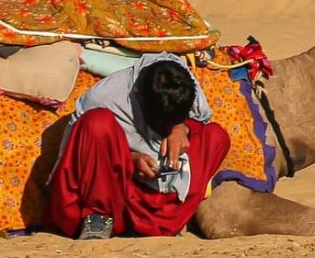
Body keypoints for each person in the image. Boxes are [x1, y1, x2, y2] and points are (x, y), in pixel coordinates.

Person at [43, 55, 229, 239]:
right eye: (158, 123)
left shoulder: (184, 84)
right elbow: (77, 158)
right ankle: (98, 218)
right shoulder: (104, 98)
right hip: (105, 193)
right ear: (139, 96)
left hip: (144, 197)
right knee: (97, 123)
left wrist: (183, 128)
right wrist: (129, 158)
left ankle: (159, 224)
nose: (163, 129)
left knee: (216, 137)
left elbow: (201, 118)